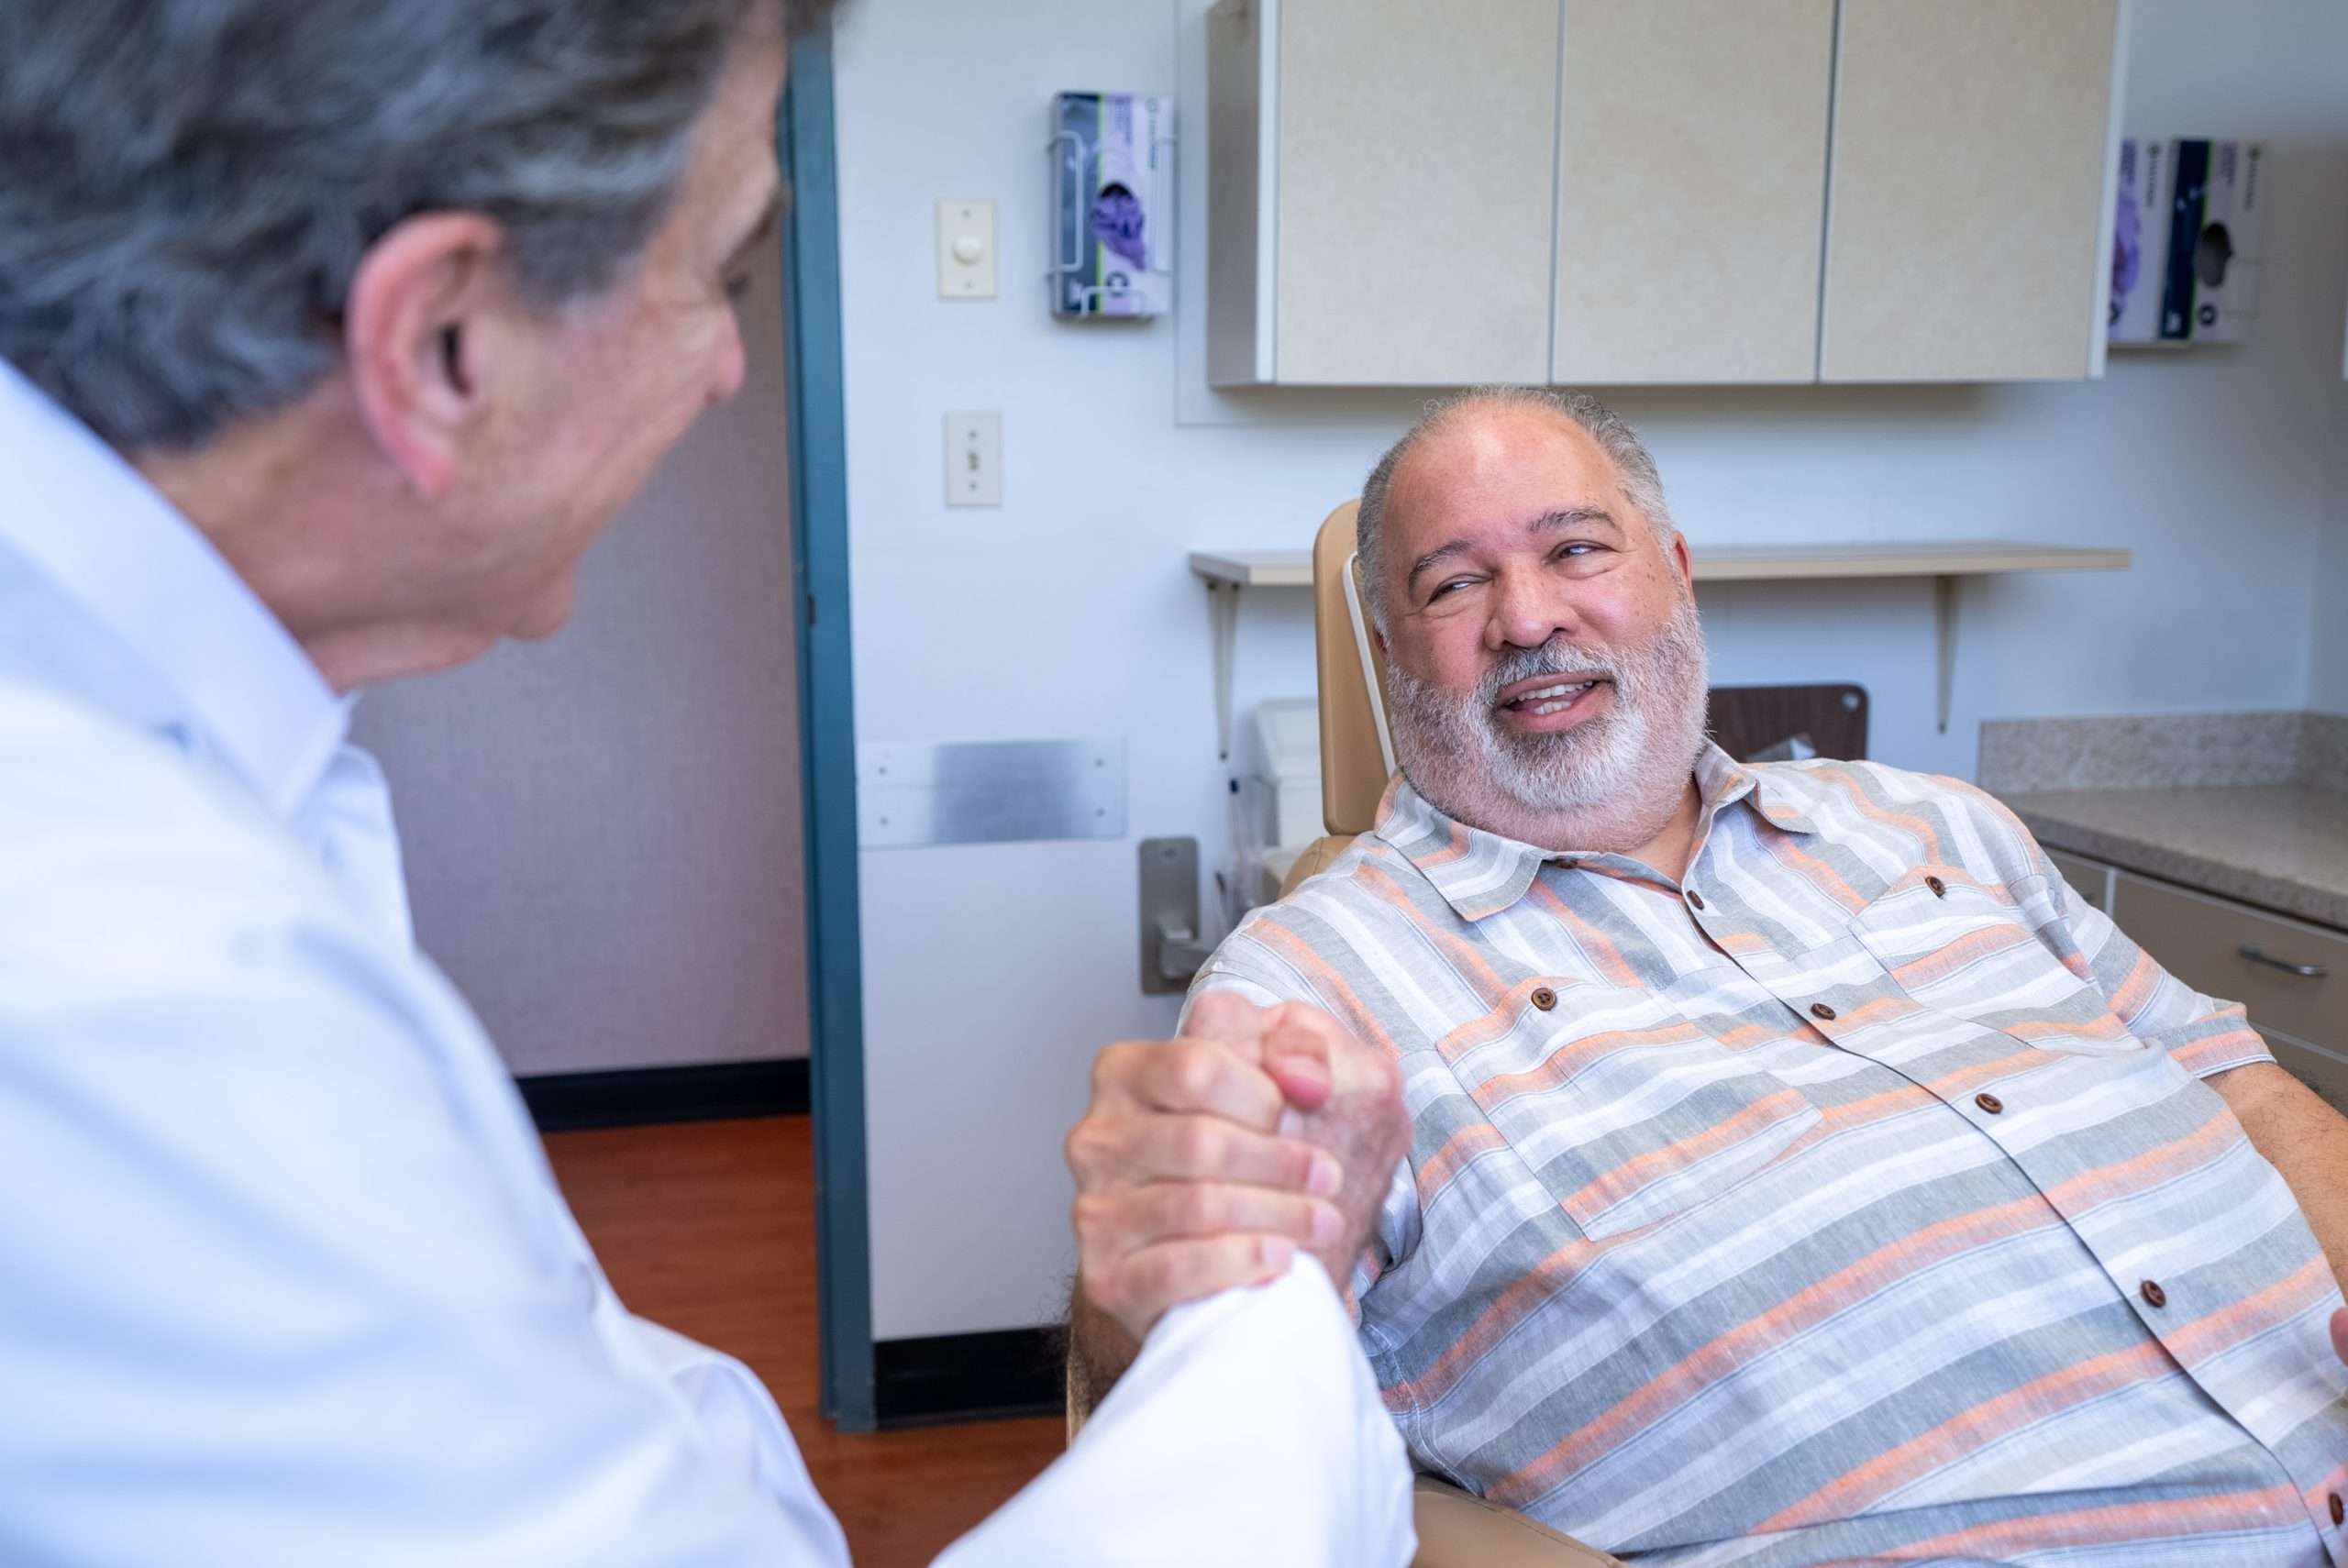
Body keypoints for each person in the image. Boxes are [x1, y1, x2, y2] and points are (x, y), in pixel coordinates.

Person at [0, 2, 1413, 1562]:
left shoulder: (194, 781)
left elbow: (547, 1387)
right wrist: (1278, 1300)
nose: (736, 365)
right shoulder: (122, 991)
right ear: (445, 341)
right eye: (718, 275)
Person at [1067, 386, 2348, 1565]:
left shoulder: (1938, 824)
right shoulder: (1321, 980)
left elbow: (2240, 1089)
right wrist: (1153, 1274)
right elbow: (1191, 1390)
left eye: (1577, 549)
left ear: (1674, 575)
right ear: (1391, 651)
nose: (1528, 617)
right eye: (1457, 584)